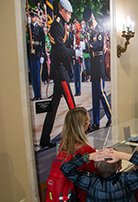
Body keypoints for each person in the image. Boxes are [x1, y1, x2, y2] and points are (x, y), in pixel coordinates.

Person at [39, 0, 83, 148]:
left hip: (61, 70)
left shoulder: (60, 24)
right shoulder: (57, 25)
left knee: (53, 106)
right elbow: (61, 50)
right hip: (60, 71)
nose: (70, 16)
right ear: (63, 11)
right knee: (73, 106)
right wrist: (75, 52)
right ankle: (78, 139)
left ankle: (44, 138)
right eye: (69, 13)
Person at [58, 107, 99, 202]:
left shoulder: (63, 145)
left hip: (67, 199)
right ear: (84, 125)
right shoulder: (85, 151)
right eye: (88, 120)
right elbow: (97, 173)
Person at [83, 7, 112, 132]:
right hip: (94, 63)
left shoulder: (99, 30)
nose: (89, 25)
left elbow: (99, 45)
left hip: (99, 62)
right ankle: (95, 122)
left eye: (90, 22)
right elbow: (89, 48)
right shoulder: (91, 32)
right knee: (95, 95)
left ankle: (110, 114)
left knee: (100, 91)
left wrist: (88, 45)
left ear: (93, 19)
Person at [27, 11, 45, 101]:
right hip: (31, 54)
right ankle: (35, 94)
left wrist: (42, 54)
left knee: (37, 75)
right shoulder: (28, 28)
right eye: (31, 16)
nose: (32, 18)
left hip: (38, 53)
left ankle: (39, 94)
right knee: (33, 75)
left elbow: (43, 43)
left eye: (33, 16)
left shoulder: (39, 29)